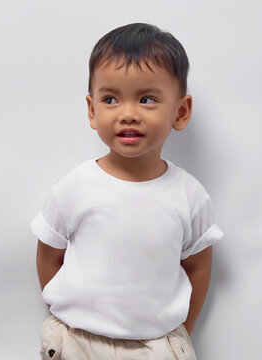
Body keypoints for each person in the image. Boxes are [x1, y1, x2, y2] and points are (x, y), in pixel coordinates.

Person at [30, 23, 224, 360]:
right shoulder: (74, 187)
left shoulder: (189, 195)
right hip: (78, 342)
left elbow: (199, 267)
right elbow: (49, 254)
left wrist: (178, 334)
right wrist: (69, 314)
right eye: (111, 99)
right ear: (93, 110)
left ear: (180, 112)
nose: (128, 114)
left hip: (155, 346)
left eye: (147, 99)